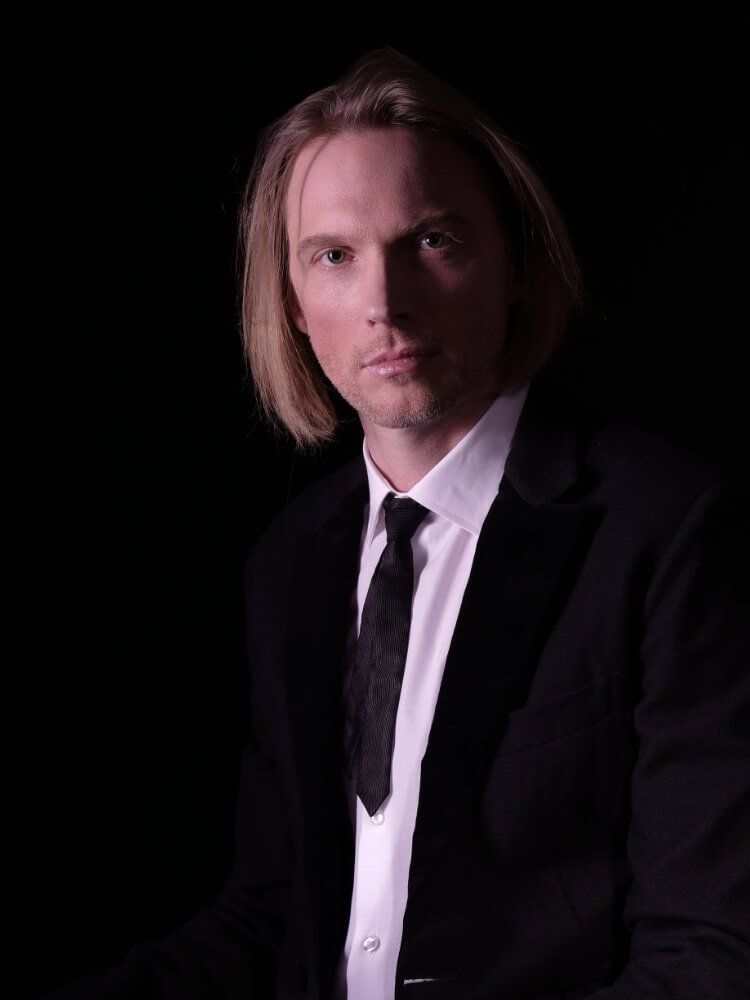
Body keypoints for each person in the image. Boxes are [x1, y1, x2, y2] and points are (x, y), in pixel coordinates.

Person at [45, 46, 750, 1000]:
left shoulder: (665, 530)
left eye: (432, 240)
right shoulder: (290, 563)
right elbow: (274, 915)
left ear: (513, 262)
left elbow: (709, 951)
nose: (385, 305)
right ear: (293, 303)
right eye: (334, 256)